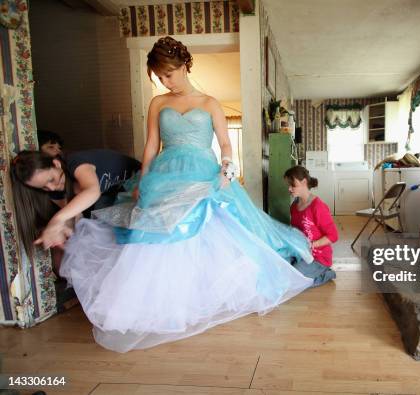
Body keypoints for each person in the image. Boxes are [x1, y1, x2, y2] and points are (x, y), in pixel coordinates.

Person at [58, 36, 313, 353]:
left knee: (208, 230)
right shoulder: (158, 103)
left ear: (184, 66)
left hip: (203, 170)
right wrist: (144, 179)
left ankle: (201, 296)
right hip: (165, 173)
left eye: (169, 74)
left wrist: (227, 170)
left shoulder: (210, 103)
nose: (166, 81)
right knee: (154, 232)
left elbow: (225, 144)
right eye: (160, 76)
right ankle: (160, 302)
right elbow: (152, 145)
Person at [10, 149, 141, 261]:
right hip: (120, 206)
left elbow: (92, 191)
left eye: (50, 179)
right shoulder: (56, 192)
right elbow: (76, 217)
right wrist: (63, 233)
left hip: (141, 188)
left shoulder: (77, 161)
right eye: (43, 187)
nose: (51, 187)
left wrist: (57, 220)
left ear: (56, 164)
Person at [285, 166, 338, 287]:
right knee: (280, 270)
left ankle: (326, 273)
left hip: (318, 258)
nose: (289, 188)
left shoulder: (318, 207)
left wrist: (312, 244)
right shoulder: (294, 206)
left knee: (292, 281)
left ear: (304, 182)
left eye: (292, 185)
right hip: (301, 253)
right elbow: (295, 230)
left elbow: (333, 236)